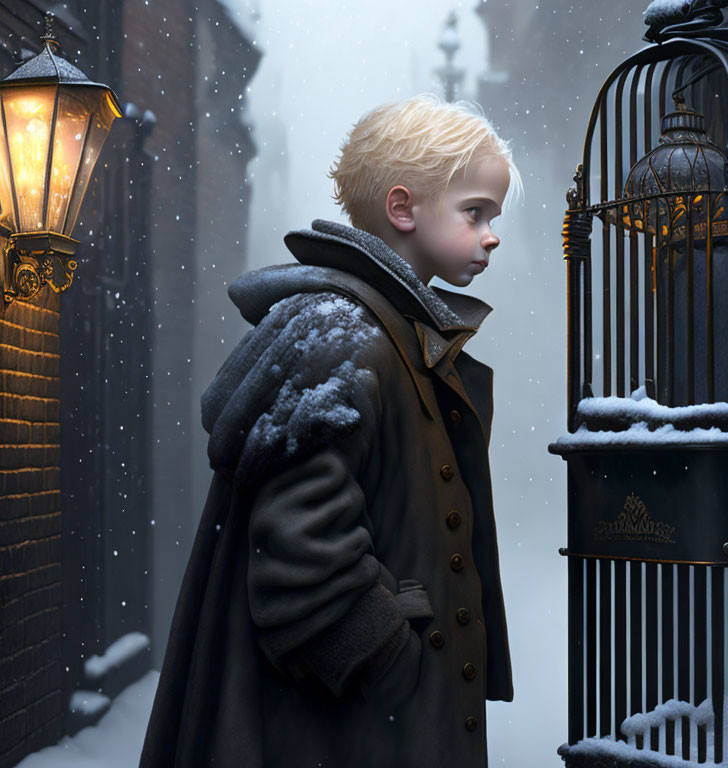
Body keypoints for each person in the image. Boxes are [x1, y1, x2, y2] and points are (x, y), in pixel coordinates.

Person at [139, 93, 522, 768]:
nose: (492, 234)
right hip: (344, 737)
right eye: (475, 212)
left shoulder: (385, 332)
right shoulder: (347, 339)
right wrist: (394, 664)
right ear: (403, 208)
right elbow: (301, 562)